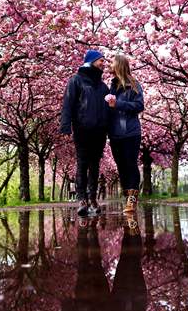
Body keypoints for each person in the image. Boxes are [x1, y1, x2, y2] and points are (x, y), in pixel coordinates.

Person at [60, 49, 110, 216]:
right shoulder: (76, 81)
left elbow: (107, 110)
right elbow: (68, 103)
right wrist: (66, 125)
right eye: (100, 60)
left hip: (100, 131)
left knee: (95, 165)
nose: (104, 63)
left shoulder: (103, 86)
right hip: (82, 129)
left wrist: (108, 128)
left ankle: (93, 198)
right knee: (82, 163)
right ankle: (81, 199)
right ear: (91, 61)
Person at [106, 55, 144, 214]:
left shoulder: (134, 85)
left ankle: (132, 200)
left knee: (130, 164)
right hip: (114, 134)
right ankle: (127, 196)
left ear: (119, 65)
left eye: (112, 62)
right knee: (121, 167)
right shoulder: (111, 86)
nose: (109, 65)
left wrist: (118, 104)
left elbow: (139, 105)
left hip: (130, 132)